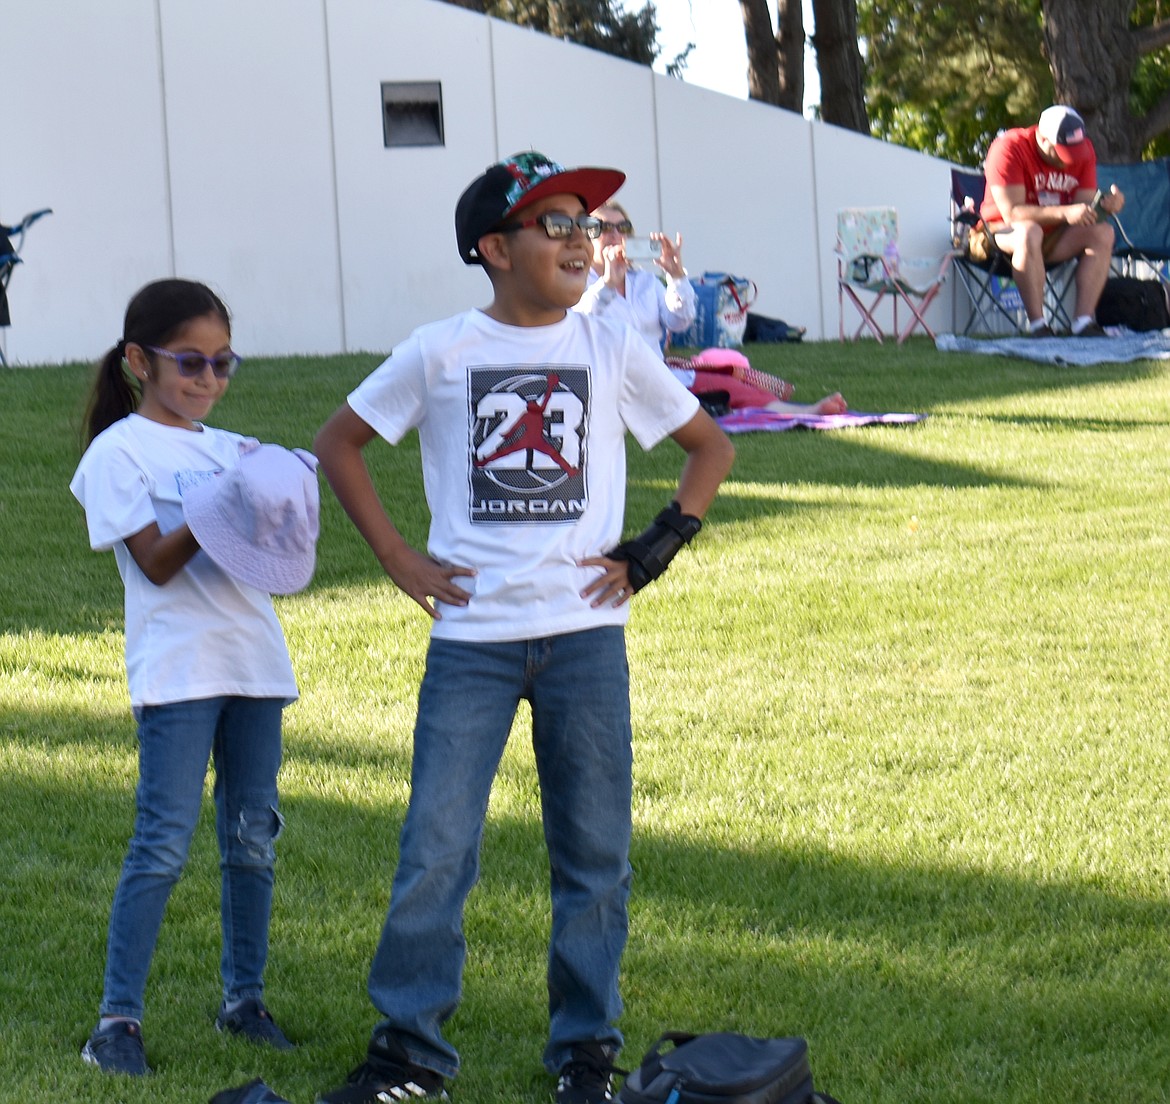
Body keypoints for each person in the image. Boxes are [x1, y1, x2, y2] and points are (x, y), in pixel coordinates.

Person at [312, 151, 735, 1104]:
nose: (580, 238)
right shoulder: (441, 350)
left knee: (593, 853)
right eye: (553, 224)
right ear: (493, 249)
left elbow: (710, 445)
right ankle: (409, 1053)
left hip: (586, 642)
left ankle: (587, 1052)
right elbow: (339, 442)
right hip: (471, 646)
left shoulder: (610, 345)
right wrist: (399, 559)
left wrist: (659, 543)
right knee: (436, 848)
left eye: (586, 222)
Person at [71, 278, 318, 1076]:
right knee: (162, 844)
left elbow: (278, 557)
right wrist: (221, 507)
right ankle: (117, 1022)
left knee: (253, 841)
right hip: (178, 671)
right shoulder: (119, 453)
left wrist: (279, 488)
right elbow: (155, 563)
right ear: (140, 361)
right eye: (190, 364)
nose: (208, 381)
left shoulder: (227, 447)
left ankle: (244, 1000)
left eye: (222, 364)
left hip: (254, 663)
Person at [575, 200, 845, 414]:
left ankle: (806, 412)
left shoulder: (644, 281)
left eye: (622, 228)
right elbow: (581, 323)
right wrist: (609, 283)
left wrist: (676, 276)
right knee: (693, 401)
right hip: (611, 383)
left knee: (729, 384)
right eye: (603, 228)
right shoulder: (577, 280)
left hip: (658, 376)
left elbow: (680, 321)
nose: (614, 235)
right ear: (587, 235)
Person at [980, 104, 1125, 337]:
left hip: (1054, 235)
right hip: (1002, 233)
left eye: (1074, 153)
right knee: (1029, 232)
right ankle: (1038, 326)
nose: (1068, 161)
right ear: (1041, 137)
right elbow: (1012, 213)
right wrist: (1065, 213)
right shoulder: (1009, 147)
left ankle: (1084, 322)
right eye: (1062, 152)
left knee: (1103, 232)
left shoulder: (1084, 150)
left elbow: (1084, 211)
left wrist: (1107, 206)